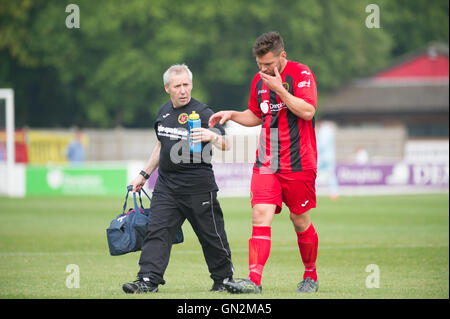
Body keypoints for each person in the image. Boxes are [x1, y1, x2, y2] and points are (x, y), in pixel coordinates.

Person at [209, 31, 319, 294]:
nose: (264, 70)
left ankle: (310, 276)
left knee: (299, 219)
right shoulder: (258, 81)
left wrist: (279, 89)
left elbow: (307, 111)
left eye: (268, 65)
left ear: (283, 56)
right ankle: (254, 281)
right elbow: (257, 115)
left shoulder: (301, 74)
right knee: (260, 214)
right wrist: (233, 114)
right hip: (267, 161)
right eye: (259, 66)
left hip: (299, 162)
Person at [122, 64, 234, 294]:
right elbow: (161, 145)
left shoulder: (203, 112)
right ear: (167, 88)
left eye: (186, 85)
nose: (183, 90)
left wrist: (211, 135)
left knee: (211, 236)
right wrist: (144, 175)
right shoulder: (163, 112)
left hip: (199, 187)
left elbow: (227, 143)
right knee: (157, 232)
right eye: (177, 86)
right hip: (167, 186)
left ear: (191, 85)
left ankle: (223, 280)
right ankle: (147, 280)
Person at [316, 121, 339, 200]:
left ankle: (313, 191)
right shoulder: (329, 131)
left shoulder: (323, 131)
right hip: (330, 156)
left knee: (314, 173)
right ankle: (334, 192)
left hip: (322, 157)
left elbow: (322, 145)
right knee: (331, 175)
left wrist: (314, 150)